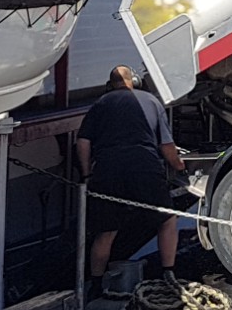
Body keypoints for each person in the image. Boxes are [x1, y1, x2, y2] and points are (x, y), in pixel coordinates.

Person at [78, 65, 186, 286]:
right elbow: (166, 146)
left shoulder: (100, 104)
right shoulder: (151, 101)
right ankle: (168, 273)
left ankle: (96, 284)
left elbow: (83, 142)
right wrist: (178, 165)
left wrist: (87, 175)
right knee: (167, 219)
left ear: (110, 85)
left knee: (106, 231)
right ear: (135, 81)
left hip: (107, 169)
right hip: (144, 167)